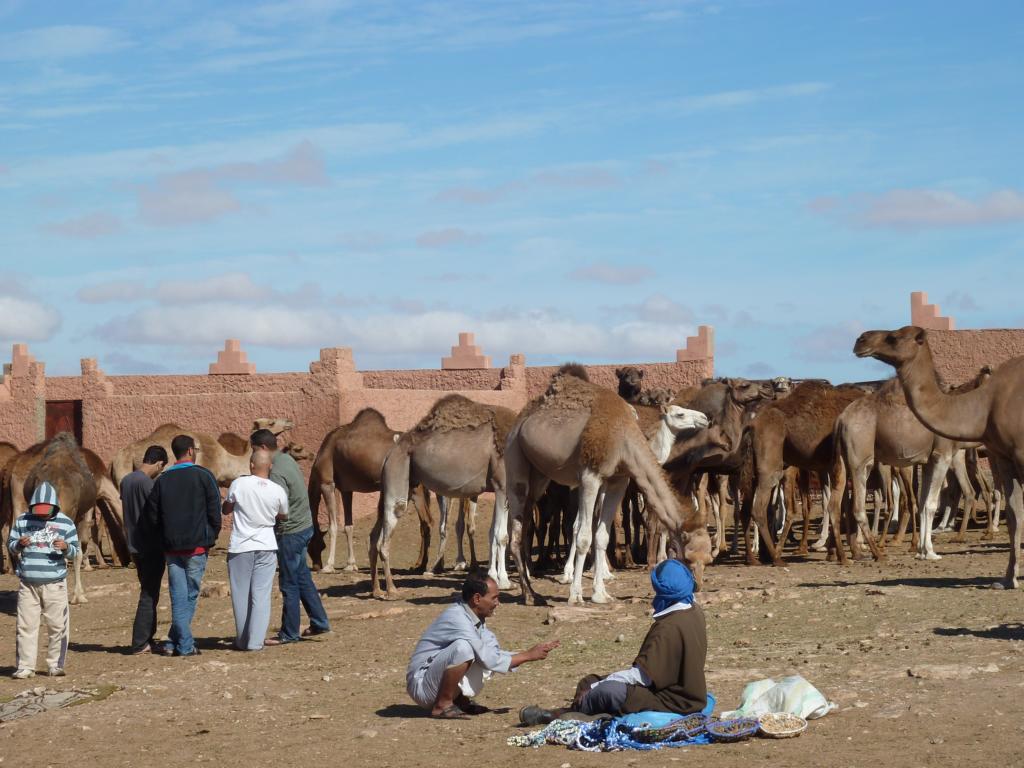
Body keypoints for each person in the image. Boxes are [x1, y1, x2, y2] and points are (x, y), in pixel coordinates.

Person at [519, 559, 707, 725]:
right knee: (589, 682)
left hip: (672, 701)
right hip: (683, 692)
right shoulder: (693, 611)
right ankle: (592, 713)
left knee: (606, 690)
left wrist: (599, 686)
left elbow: (642, 677)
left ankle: (558, 715)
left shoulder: (668, 628)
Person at [407, 569, 560, 719]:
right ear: (477, 599)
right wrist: (528, 656)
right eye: (494, 598)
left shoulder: (474, 618)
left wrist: (530, 653)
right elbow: (488, 659)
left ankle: (459, 701)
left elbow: (492, 654)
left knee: (479, 647)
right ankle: (442, 705)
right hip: (422, 686)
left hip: (432, 682)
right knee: (464, 649)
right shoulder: (458, 618)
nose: (497, 603)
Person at [143, 434, 221, 657]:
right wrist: (210, 537)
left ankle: (171, 642)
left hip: (171, 549)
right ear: (190, 451)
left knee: (179, 596)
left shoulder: (162, 480)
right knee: (189, 596)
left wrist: (163, 539)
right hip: (196, 548)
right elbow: (215, 510)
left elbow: (152, 516)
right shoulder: (204, 476)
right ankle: (185, 645)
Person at [250, 429, 330, 645]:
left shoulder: (275, 471)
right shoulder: (286, 459)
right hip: (304, 527)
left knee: (289, 582)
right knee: (302, 576)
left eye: (254, 450)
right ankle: (320, 622)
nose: (253, 455)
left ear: (263, 448)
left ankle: (289, 632)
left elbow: (279, 505)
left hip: (290, 532)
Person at [8, 482, 80, 679]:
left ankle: (55, 665)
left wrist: (66, 547)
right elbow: (11, 546)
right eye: (37, 511)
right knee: (25, 625)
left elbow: (76, 552)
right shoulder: (22, 521)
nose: (41, 515)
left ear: (54, 506)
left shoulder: (66, 523)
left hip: (55, 583)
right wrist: (18, 544)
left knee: (57, 625)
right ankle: (25, 666)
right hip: (28, 584)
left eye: (45, 511)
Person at [223, 450, 288, 651]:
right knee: (261, 595)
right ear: (270, 466)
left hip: (241, 546)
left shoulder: (239, 484)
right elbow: (284, 515)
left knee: (240, 595)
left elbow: (226, 509)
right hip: (267, 546)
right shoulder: (277, 489)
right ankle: (256, 642)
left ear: (251, 465)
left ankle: (242, 640)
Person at [120, 444, 169, 655]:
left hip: (134, 544)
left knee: (149, 591)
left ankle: (148, 637)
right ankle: (140, 642)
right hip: (150, 545)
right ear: (159, 463)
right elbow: (156, 511)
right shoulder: (147, 484)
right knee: (149, 594)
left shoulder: (126, 480)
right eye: (162, 467)